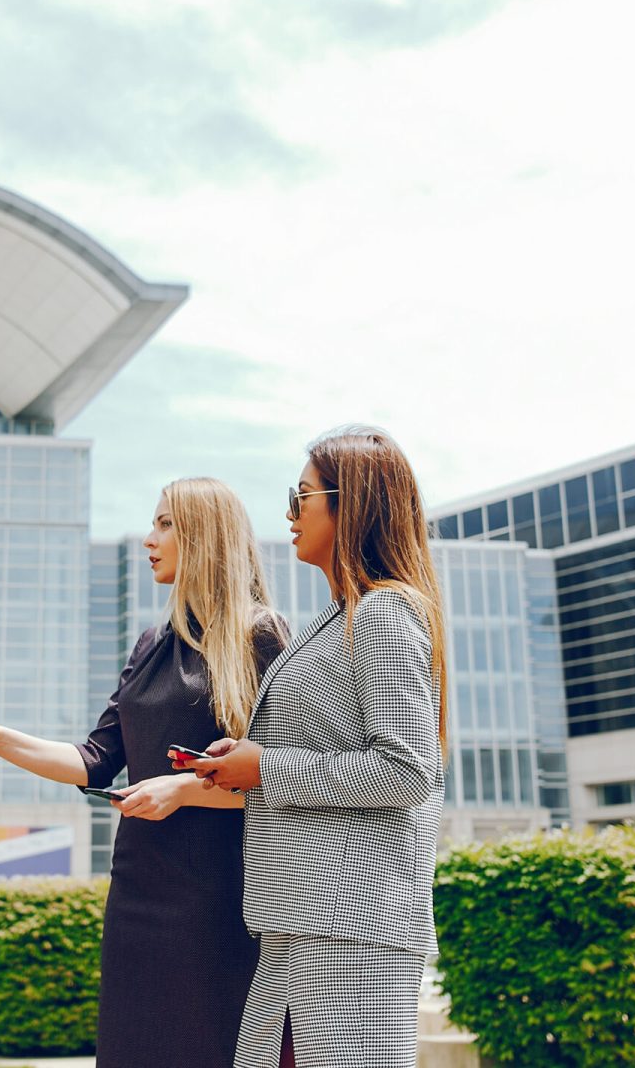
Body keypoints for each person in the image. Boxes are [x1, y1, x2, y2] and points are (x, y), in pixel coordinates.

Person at [0, 478, 288, 1068]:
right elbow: (94, 760)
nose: (148, 539)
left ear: (205, 536)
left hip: (220, 897)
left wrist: (183, 791)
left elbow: (284, 782)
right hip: (138, 890)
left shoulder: (261, 635)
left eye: (165, 525)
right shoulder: (150, 644)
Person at [192, 427, 448, 1068]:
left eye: (301, 496)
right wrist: (245, 760)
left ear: (350, 504)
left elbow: (408, 772)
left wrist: (264, 767)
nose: (289, 513)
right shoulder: (339, 618)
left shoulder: (383, 614)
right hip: (301, 923)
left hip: (352, 930)